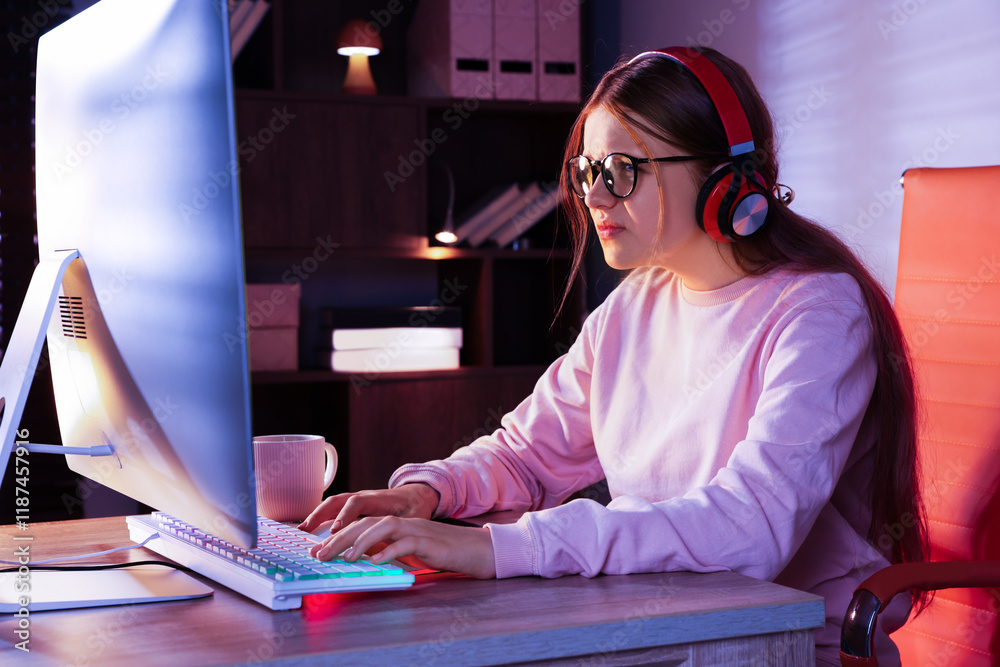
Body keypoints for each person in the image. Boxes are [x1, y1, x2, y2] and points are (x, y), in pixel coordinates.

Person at [299, 46, 927, 665]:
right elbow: (527, 455)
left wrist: (500, 549)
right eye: (586, 171)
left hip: (777, 646)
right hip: (660, 626)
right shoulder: (636, 304)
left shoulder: (819, 312)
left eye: (622, 170)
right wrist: (430, 493)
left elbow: (751, 529)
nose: (594, 198)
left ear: (726, 182)